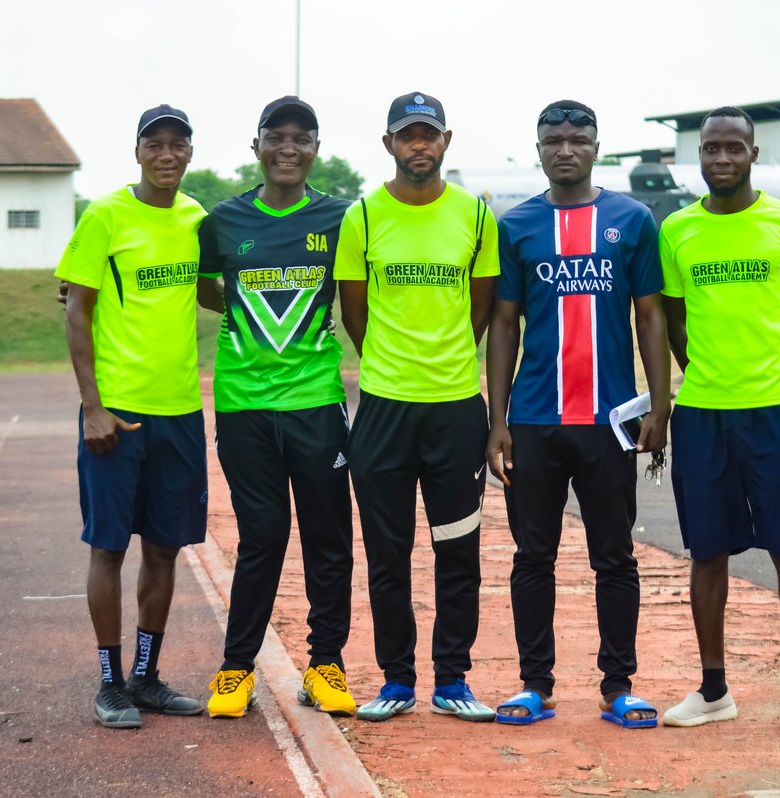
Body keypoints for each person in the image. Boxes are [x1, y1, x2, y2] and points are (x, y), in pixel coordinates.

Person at [486, 100, 670, 728]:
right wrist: (498, 419)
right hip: (535, 421)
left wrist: (660, 403)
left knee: (614, 557)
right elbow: (504, 324)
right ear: (537, 148)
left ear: (596, 145)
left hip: (611, 420)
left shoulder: (633, 220)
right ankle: (535, 684)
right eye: (552, 140)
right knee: (531, 556)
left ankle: (619, 685)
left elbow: (651, 314)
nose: (565, 149)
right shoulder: (516, 225)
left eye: (577, 139)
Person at [658, 106, 780, 734]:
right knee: (707, 552)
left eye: (735, 148)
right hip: (703, 415)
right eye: (712, 149)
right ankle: (713, 691)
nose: (722, 159)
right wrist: (701, 371)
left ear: (753, 154)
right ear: (700, 157)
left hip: (775, 415)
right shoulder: (676, 230)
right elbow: (674, 321)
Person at [334, 91, 500, 723]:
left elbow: (480, 310)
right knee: (388, 553)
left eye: (429, 134)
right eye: (408, 135)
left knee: (458, 550)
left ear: (446, 141)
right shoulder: (364, 219)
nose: (419, 145)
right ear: (389, 145)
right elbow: (357, 314)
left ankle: (452, 679)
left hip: (456, 410)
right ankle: (397, 679)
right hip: (384, 411)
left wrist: (447, 359)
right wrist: (394, 364)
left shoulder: (477, 217)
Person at [197, 96, 356, 719]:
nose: (289, 147)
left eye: (302, 137)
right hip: (244, 405)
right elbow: (198, 280)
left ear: (316, 148)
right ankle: (237, 670)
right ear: (256, 146)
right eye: (276, 137)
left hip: (316, 401)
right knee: (262, 536)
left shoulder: (342, 219)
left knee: (328, 537)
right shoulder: (223, 220)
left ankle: (326, 666)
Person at [56, 104, 211, 729]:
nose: (167, 154)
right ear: (138, 151)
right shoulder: (105, 216)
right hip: (117, 413)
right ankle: (109, 683)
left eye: (179, 144)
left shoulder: (198, 219)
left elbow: (212, 290)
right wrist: (93, 406)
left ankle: (146, 677)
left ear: (190, 153)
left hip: (180, 411)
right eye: (156, 143)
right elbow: (76, 309)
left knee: (166, 550)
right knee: (108, 549)